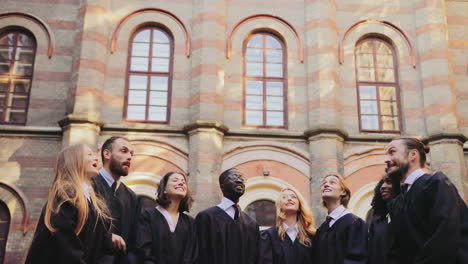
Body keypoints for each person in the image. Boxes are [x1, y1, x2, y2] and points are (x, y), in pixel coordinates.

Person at [25, 144, 125, 263]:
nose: (97, 158)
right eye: (89, 154)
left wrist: (108, 240)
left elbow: (87, 234)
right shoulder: (65, 197)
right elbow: (66, 247)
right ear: (74, 161)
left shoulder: (89, 198)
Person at [385, 137, 468, 264]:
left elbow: (445, 236)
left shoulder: (435, 184)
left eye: (392, 152)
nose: (386, 159)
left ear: (413, 154)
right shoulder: (397, 202)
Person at [195, 168, 260, 264]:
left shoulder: (251, 224)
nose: (239, 180)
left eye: (241, 178)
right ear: (222, 186)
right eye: (233, 177)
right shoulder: (206, 218)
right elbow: (199, 255)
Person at [93, 136, 141, 263]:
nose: (130, 157)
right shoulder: (89, 186)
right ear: (107, 154)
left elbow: (133, 239)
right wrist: (106, 238)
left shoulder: (131, 196)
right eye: (124, 151)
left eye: (131, 154)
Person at [137, 172, 197, 263]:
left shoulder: (191, 223)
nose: (181, 183)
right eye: (175, 180)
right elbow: (144, 250)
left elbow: (193, 255)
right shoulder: (147, 217)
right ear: (164, 189)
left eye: (183, 182)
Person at [314, 173, 367, 264]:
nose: (326, 185)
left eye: (332, 182)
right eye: (324, 183)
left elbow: (357, 260)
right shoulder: (322, 230)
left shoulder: (354, 223)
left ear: (343, 192)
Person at [258, 187, 315, 264]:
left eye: (293, 197)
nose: (289, 199)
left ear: (299, 205)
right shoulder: (269, 236)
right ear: (280, 206)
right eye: (284, 197)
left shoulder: (311, 236)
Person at [368, 172, 399, 264]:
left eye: (388, 182)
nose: (383, 187)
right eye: (382, 183)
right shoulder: (377, 221)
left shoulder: (406, 215)